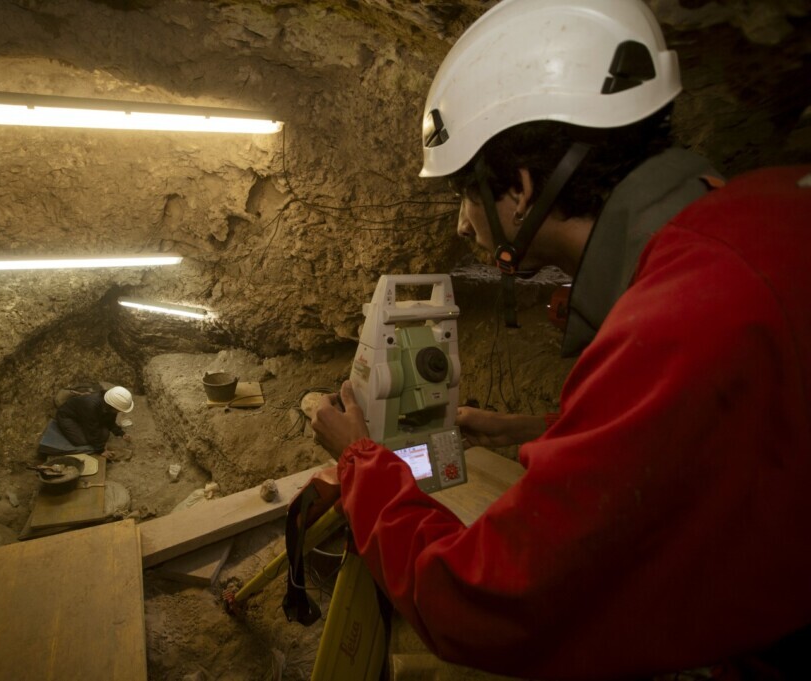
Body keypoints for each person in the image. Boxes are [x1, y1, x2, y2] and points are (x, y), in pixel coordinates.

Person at [311, 0, 811, 678]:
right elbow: (697, 435)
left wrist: (359, 463)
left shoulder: (676, 318)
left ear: (519, 190)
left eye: (466, 193)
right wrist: (532, 428)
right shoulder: (763, 207)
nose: (462, 224)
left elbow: (481, 600)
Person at [54, 386, 134, 459]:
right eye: (119, 410)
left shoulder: (110, 404)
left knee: (104, 434)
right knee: (82, 441)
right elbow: (92, 430)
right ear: (113, 406)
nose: (120, 411)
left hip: (84, 416)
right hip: (68, 416)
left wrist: (121, 433)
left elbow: (110, 421)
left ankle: (83, 427)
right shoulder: (91, 405)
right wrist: (101, 450)